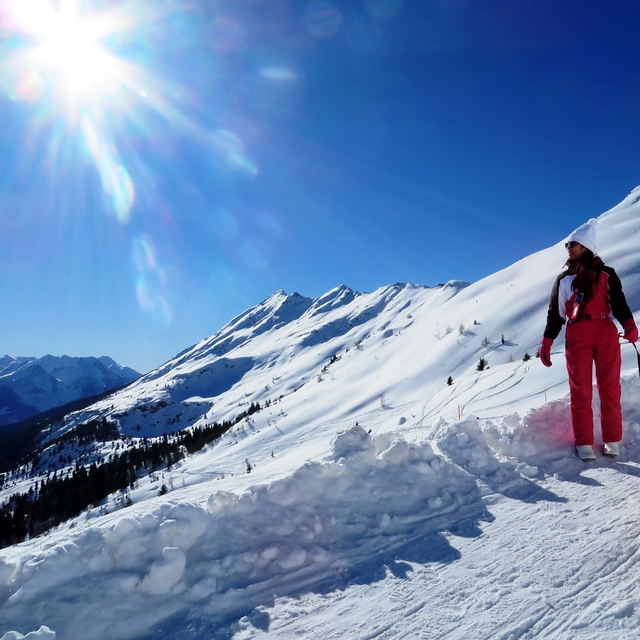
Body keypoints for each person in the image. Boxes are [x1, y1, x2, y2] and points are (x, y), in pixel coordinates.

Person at [539, 218, 638, 461]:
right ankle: (583, 442)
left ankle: (612, 440)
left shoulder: (606, 274)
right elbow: (556, 314)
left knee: (609, 388)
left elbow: (619, 303)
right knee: (580, 390)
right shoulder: (563, 280)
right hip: (577, 334)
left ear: (586, 246)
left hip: (605, 331)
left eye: (573, 244)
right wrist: (547, 341)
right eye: (567, 245)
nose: (569, 248)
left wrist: (629, 324)